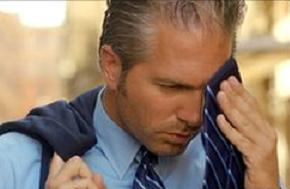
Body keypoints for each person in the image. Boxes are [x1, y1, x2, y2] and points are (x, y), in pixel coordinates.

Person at [0, 1, 285, 189]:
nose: (195, 116)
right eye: (172, 87)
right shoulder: (14, 164)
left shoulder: (238, 165)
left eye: (209, 87)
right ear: (111, 66)